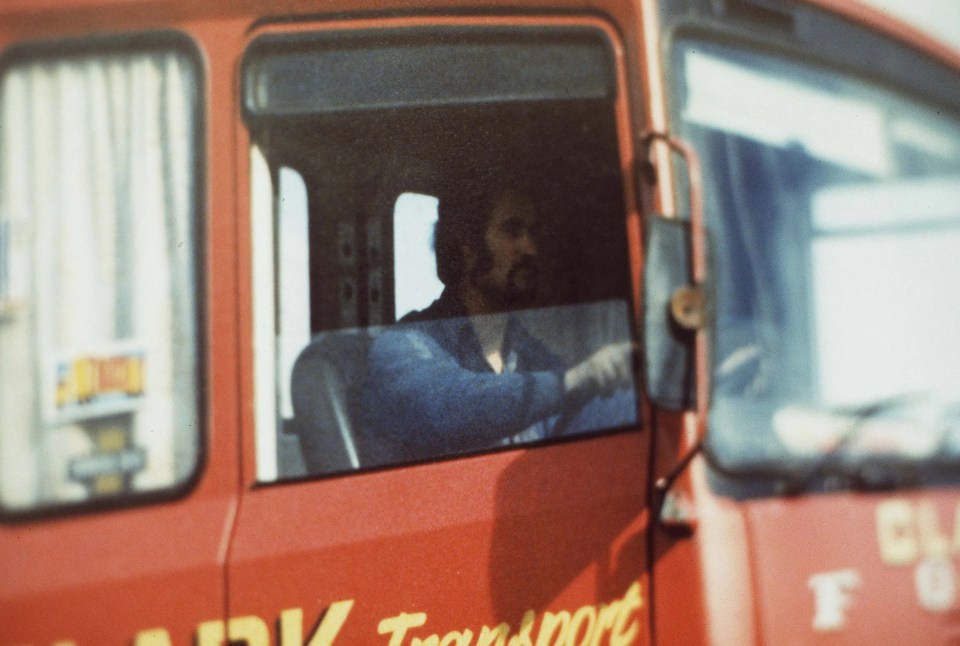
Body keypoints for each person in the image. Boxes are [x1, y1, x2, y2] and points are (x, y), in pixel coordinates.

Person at [355, 180, 635, 465]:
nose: (530, 248)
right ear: (467, 250)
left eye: (531, 233)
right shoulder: (403, 343)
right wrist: (576, 379)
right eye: (512, 231)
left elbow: (576, 416)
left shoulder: (527, 351)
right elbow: (451, 406)